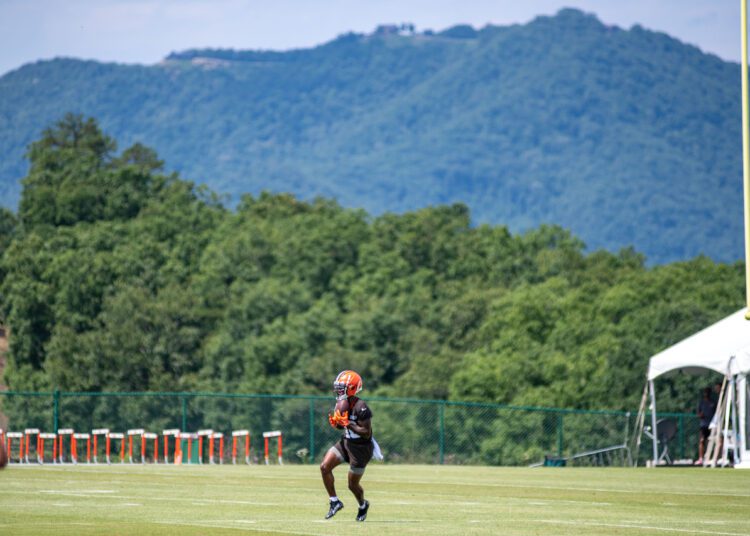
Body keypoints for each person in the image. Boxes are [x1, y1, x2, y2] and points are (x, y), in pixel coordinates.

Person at [320, 370, 373, 522]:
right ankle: (334, 501)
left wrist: (348, 424)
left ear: (351, 388)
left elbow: (366, 432)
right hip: (346, 443)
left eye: (341, 387)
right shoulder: (341, 403)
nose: (338, 390)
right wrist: (337, 425)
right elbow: (342, 426)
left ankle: (363, 505)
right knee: (324, 467)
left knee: (352, 485)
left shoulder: (361, 406)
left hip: (361, 449)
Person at [696, 386, 717, 465]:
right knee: (702, 440)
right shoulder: (701, 402)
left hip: (711, 425)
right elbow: (698, 413)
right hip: (703, 424)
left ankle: (709, 457)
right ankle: (700, 458)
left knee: (710, 441)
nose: (706, 394)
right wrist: (700, 415)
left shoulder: (713, 402)